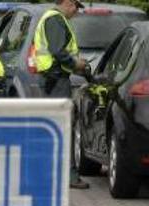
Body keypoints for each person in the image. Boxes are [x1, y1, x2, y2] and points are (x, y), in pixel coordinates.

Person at [33, 0, 90, 189]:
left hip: (54, 78)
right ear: (66, 2)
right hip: (55, 80)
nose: (76, 11)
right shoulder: (55, 20)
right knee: (64, 127)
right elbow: (58, 51)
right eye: (75, 6)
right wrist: (76, 64)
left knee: (57, 127)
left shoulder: (55, 19)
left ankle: (50, 174)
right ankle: (68, 177)